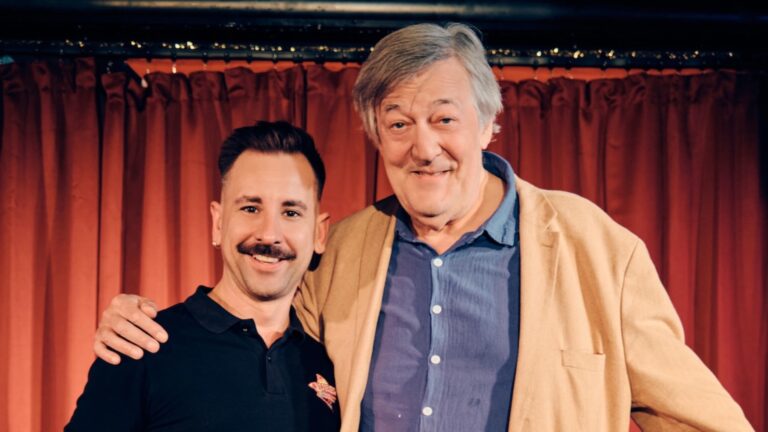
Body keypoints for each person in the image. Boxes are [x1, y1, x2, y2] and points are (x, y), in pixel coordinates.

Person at [92, 24, 754, 431]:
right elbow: (252, 311)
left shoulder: (598, 251)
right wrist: (139, 321)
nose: (422, 145)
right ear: (376, 136)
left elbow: (701, 421)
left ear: (490, 121)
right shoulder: (348, 247)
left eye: (444, 117)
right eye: (398, 122)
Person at [67, 121, 340, 431]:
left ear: (319, 234)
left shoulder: (330, 363)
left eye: (291, 213)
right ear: (219, 222)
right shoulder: (141, 344)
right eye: (251, 208)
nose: (269, 233)